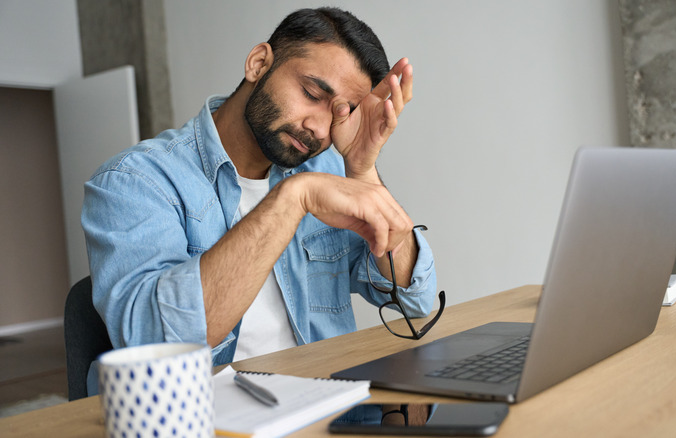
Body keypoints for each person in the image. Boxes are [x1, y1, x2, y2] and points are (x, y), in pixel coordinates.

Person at [81, 7, 438, 395]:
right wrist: (293, 198)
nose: (319, 128)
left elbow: (414, 300)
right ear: (258, 63)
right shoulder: (135, 181)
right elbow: (155, 346)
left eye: (341, 113)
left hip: (328, 406)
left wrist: (362, 168)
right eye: (312, 94)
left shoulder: (327, 169)